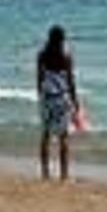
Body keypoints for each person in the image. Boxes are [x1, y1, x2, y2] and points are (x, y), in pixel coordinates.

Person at [36, 25, 79, 181]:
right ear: (62, 39)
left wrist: (40, 96)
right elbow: (71, 81)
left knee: (45, 136)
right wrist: (76, 102)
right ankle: (64, 174)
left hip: (47, 97)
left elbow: (39, 79)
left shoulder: (42, 55)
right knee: (63, 137)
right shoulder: (66, 56)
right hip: (62, 98)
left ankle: (45, 172)